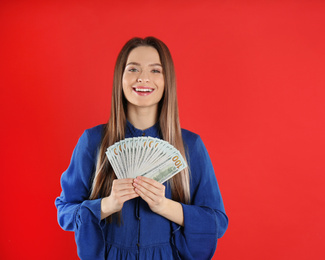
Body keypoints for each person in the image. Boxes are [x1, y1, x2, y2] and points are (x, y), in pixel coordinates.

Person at [55, 36, 228, 260]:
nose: (144, 78)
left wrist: (164, 205)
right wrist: (107, 204)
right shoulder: (92, 141)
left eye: (156, 70)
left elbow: (217, 222)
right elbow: (65, 212)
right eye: (133, 69)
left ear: (168, 81)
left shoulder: (191, 146)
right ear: (120, 78)